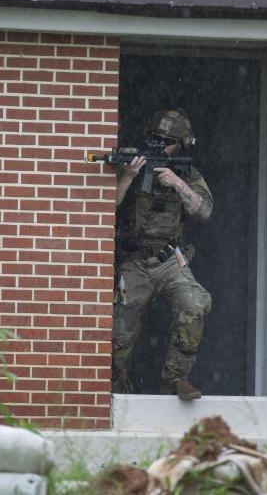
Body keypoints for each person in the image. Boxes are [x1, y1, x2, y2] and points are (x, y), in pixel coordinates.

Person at [111, 109, 213, 400]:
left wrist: (177, 183)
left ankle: (175, 379)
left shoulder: (186, 173)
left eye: (167, 142)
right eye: (155, 138)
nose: (159, 145)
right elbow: (108, 208)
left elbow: (204, 211)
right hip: (134, 261)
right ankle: (117, 391)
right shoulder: (132, 165)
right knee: (119, 332)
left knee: (195, 303)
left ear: (180, 145)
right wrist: (129, 176)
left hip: (170, 260)